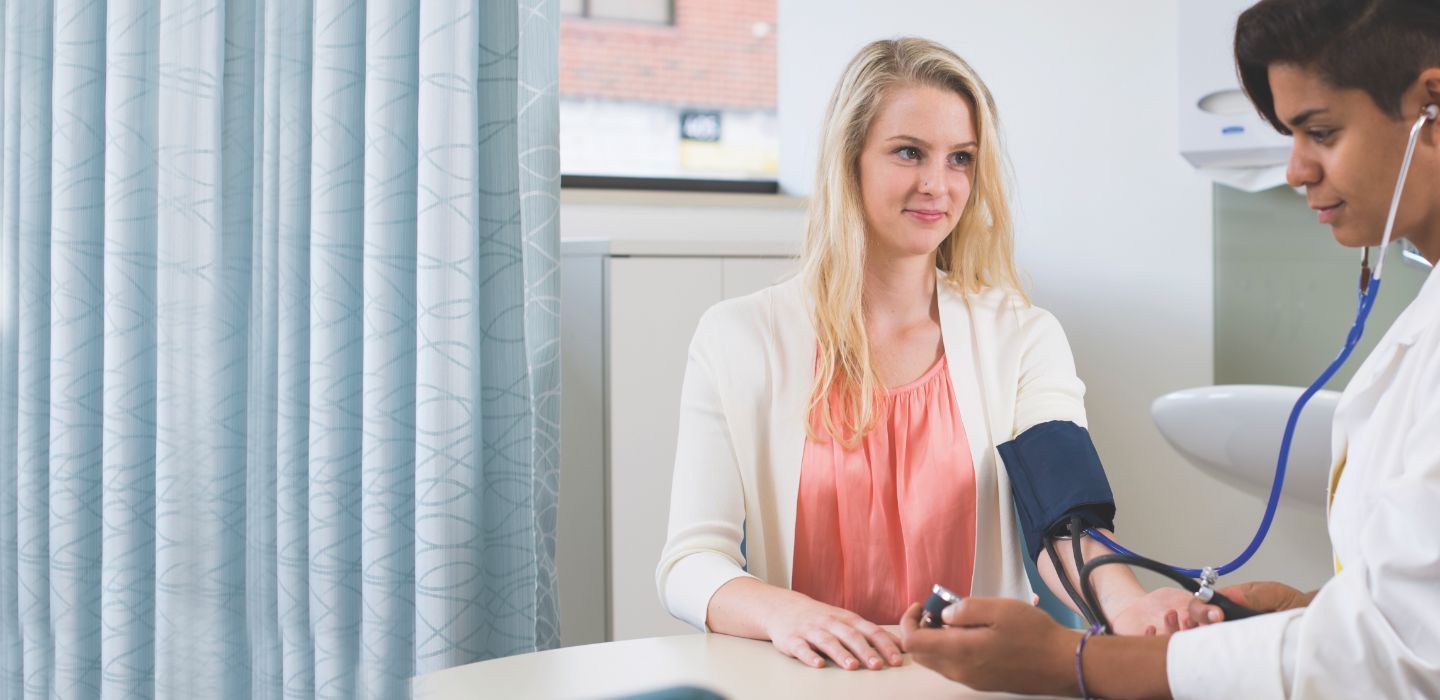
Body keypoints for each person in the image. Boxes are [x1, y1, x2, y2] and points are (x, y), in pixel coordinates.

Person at [900, 1, 1440, 697]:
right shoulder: (763, 333)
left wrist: (1072, 660)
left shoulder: (1018, 334)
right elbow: (1410, 616)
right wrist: (1307, 610)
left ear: (1432, 107)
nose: (1297, 169)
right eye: (907, 152)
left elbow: (1396, 652)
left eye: (1322, 132)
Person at [655, 37, 1191, 673]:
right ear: (849, 160)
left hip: (974, 681)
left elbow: (1064, 518)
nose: (938, 184)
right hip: (809, 679)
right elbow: (690, 560)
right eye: (909, 152)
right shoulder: (738, 336)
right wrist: (787, 613)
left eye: (960, 158)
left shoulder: (1022, 336)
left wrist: (1127, 603)